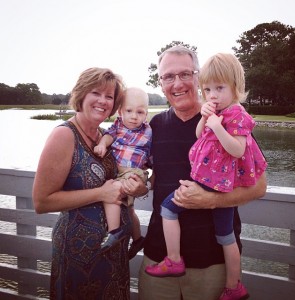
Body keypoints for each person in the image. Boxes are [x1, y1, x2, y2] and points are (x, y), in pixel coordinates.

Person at [138, 46, 267, 300]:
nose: (177, 84)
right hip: (159, 257)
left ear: (198, 78)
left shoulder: (229, 119)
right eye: (168, 77)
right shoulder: (154, 125)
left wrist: (212, 200)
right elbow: (149, 174)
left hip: (213, 263)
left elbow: (260, 186)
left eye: (186, 74)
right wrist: (137, 182)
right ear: (160, 82)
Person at [32, 67, 146, 299]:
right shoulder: (64, 135)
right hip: (78, 252)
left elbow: (123, 178)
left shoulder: (105, 135)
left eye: (109, 96)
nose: (103, 101)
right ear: (82, 94)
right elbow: (42, 201)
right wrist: (100, 194)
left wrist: (141, 187)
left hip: (114, 251)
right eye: (97, 93)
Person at [94, 87, 152, 259]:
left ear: (146, 114)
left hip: (135, 172)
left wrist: (149, 180)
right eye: (129, 111)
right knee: (129, 210)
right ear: (120, 111)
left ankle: (114, 231)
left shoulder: (148, 131)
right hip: (118, 171)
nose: (134, 116)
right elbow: (109, 136)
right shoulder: (118, 125)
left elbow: (153, 155)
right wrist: (103, 144)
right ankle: (138, 239)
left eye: (140, 112)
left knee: (112, 191)